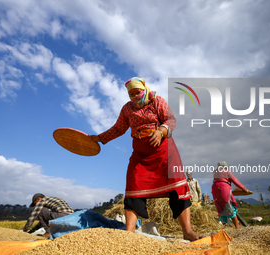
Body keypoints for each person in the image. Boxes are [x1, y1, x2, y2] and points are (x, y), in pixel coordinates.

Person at [90, 77, 203, 241]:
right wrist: (100, 138)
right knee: (133, 187)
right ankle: (129, 234)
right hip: (140, 155)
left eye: (137, 92)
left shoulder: (157, 101)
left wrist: (161, 131)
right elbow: (118, 129)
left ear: (144, 89)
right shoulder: (127, 109)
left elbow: (170, 119)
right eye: (131, 94)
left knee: (178, 189)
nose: (135, 96)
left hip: (165, 152)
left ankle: (188, 231)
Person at [211, 161, 251, 229]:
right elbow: (235, 181)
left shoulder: (216, 173)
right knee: (230, 207)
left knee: (221, 208)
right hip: (223, 188)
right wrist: (244, 189)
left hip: (215, 189)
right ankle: (237, 228)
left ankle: (225, 228)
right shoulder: (227, 172)